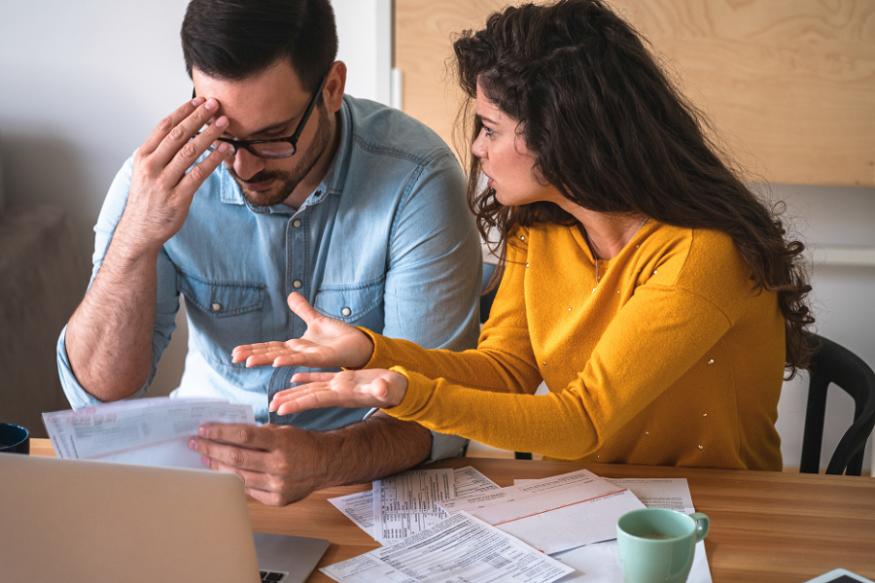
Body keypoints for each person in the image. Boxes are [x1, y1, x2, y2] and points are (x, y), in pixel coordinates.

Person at [233, 0, 815, 471]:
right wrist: (369, 350)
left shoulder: (699, 255)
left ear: (563, 135)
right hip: (599, 499)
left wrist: (402, 392)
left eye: (489, 128)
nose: (477, 147)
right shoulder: (541, 226)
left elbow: (580, 421)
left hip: (723, 515)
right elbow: (508, 372)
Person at [57, 0, 482, 505]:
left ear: (331, 88)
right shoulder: (157, 179)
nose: (241, 166)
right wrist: (135, 239)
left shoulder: (417, 181)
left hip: (359, 477)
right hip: (202, 469)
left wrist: (324, 459)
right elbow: (99, 394)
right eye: (220, 132)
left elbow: (439, 414)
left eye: (271, 138)